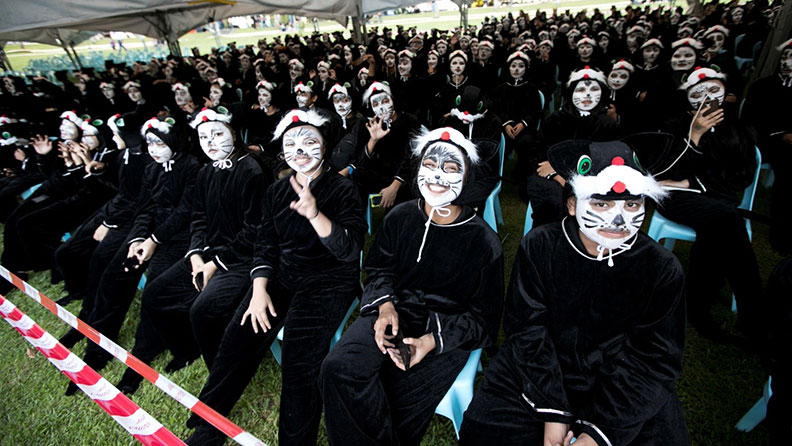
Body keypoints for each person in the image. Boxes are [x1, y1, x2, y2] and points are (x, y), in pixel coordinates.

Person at [459, 138, 689, 446]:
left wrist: (598, 433)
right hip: (539, 369)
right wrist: (553, 411)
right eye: (601, 203)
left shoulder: (660, 267)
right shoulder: (540, 246)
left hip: (623, 384)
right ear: (572, 204)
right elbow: (526, 328)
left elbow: (655, 357)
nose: (617, 219)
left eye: (631, 204)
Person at [185, 109, 366, 446]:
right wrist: (258, 290)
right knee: (237, 339)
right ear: (282, 152)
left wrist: (314, 214)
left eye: (309, 142)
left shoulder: (343, 190)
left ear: (325, 147)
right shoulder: (277, 191)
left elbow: (349, 250)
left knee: (300, 364)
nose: (300, 151)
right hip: (284, 276)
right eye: (291, 145)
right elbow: (265, 244)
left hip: (329, 281)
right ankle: (209, 422)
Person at [319, 127, 504, 446]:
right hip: (394, 311)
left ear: (467, 177)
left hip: (445, 330)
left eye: (450, 168)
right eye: (430, 165)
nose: (438, 176)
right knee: (338, 368)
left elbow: (483, 320)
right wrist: (385, 306)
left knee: (398, 402)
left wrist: (431, 342)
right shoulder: (400, 217)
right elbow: (378, 269)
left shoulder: (484, 242)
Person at [114, 106, 271, 394]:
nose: (210, 143)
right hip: (205, 254)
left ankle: (220, 375)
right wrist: (196, 255)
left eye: (217, 134)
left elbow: (255, 230)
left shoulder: (252, 170)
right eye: (203, 137)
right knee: (155, 293)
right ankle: (186, 349)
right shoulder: (205, 171)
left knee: (203, 310)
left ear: (233, 134)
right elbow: (198, 217)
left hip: (239, 258)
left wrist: (214, 264)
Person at [656, 66, 763, 343]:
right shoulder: (674, 126)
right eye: (698, 93)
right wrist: (694, 138)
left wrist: (694, 183)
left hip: (718, 200)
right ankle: (755, 316)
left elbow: (742, 177)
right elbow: (663, 174)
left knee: (719, 224)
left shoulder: (739, 129)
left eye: (714, 90)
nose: (707, 97)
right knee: (727, 221)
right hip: (676, 199)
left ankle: (697, 305)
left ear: (726, 94)